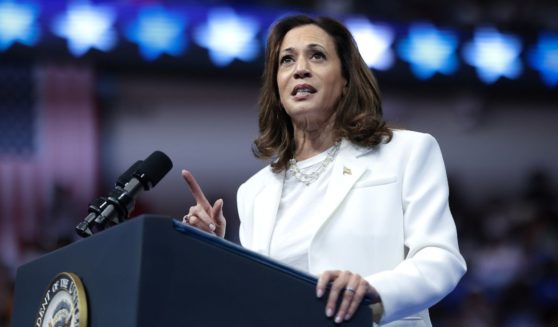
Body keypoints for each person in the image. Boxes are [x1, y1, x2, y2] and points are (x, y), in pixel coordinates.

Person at [181, 14, 466, 326]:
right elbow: (255, 300)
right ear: (277, 86)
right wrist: (213, 252)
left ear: (345, 80)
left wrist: (374, 291)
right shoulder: (254, 192)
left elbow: (442, 260)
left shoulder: (408, 152)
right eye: (287, 60)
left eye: (317, 55)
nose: (300, 68)